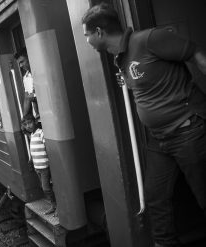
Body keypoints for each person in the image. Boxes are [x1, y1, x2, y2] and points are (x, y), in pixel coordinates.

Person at [82, 3, 206, 246]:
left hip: (188, 130)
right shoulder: (121, 57)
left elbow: (197, 54)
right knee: (155, 198)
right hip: (159, 139)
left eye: (86, 34)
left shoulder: (149, 39)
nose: (86, 40)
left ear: (99, 32)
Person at [21, 114, 57, 215]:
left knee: (46, 188)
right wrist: (31, 159)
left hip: (45, 167)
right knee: (45, 187)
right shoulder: (31, 135)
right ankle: (53, 205)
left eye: (30, 123)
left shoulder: (40, 132)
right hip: (38, 167)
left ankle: (56, 206)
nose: (28, 126)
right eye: (25, 124)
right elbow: (33, 149)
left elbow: (46, 147)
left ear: (35, 122)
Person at [14, 49, 40, 120]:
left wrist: (31, 97)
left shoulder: (41, 71)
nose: (20, 65)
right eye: (19, 63)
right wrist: (24, 119)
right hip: (38, 119)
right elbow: (27, 97)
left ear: (29, 57)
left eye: (22, 61)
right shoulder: (26, 77)